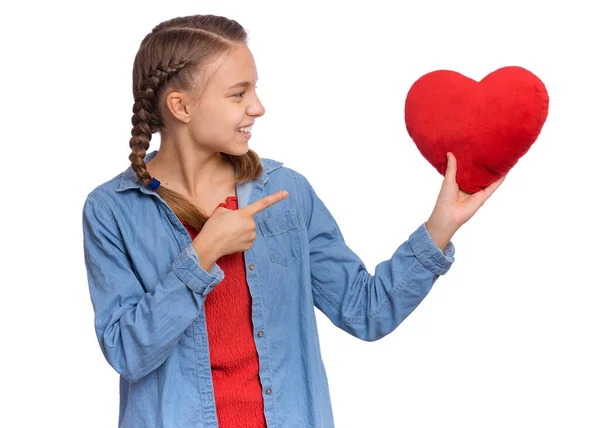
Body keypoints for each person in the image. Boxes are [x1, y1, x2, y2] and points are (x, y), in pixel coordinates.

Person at [81, 14, 505, 428]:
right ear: (181, 106)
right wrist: (204, 251)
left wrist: (441, 225)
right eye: (237, 93)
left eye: (255, 89)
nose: (258, 107)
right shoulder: (111, 211)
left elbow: (365, 311)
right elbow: (127, 353)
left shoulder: (286, 193)